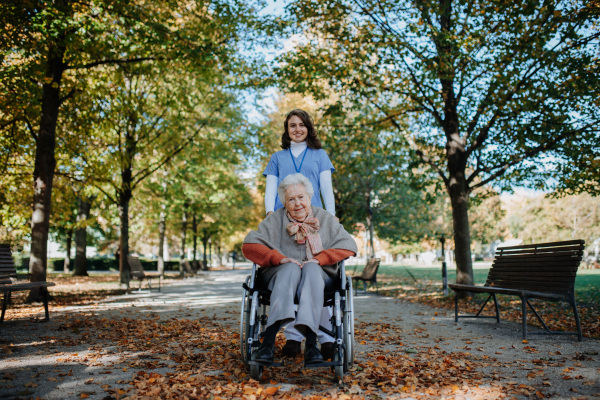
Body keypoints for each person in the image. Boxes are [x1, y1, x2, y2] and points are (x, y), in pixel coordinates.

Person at [242, 174, 357, 364]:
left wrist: (320, 260)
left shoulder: (325, 218)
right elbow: (249, 245)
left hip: (319, 276)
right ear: (284, 203)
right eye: (291, 199)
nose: (297, 204)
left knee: (310, 270)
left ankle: (311, 345)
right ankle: (267, 343)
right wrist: (278, 258)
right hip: (280, 276)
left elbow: (349, 245)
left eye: (301, 197)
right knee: (290, 269)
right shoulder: (275, 220)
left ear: (310, 197)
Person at [263, 109, 337, 358]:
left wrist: (331, 217)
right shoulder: (277, 157)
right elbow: (271, 188)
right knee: (293, 272)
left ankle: (326, 337)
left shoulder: (320, 155)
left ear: (308, 128)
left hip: (313, 218)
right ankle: (294, 339)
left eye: (302, 125)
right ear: (286, 129)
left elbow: (326, 187)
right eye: (292, 125)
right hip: (285, 221)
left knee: (315, 273)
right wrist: (269, 214)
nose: (297, 129)